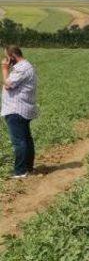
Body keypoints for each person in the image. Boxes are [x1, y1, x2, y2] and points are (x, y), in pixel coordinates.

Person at [1, 45, 38, 179]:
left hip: (16, 109)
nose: (5, 59)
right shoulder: (26, 66)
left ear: (12, 57)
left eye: (7, 57)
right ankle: (28, 168)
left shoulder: (21, 68)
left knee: (19, 141)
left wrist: (4, 69)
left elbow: (8, 84)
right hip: (23, 108)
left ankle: (20, 171)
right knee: (26, 139)